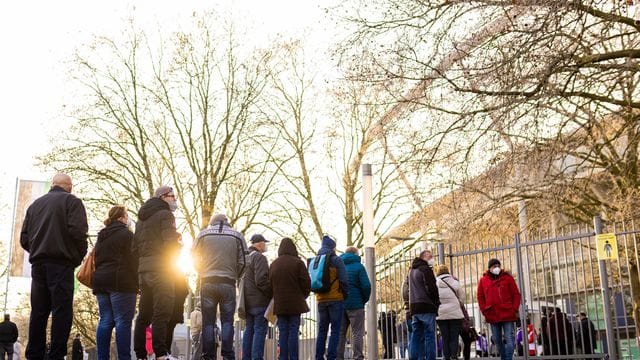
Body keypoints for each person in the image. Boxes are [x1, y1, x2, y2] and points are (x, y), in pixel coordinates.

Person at [20, 174, 88, 360]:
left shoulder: (35, 205)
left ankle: (34, 354)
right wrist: (78, 255)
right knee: (61, 311)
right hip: (61, 263)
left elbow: (24, 238)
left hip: (39, 264)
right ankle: (56, 355)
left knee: (39, 311)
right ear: (68, 186)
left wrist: (37, 250)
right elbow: (78, 232)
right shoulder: (72, 202)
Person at [133, 186, 183, 360]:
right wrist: (178, 246)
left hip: (143, 271)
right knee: (162, 312)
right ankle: (161, 354)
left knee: (143, 315)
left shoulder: (141, 219)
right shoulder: (166, 215)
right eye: (172, 196)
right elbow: (170, 242)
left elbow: (134, 248)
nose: (174, 199)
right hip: (162, 269)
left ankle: (140, 355)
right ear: (163, 197)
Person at [192, 214, 247, 360]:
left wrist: (202, 271)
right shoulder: (237, 236)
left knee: (208, 321)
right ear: (227, 222)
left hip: (208, 281)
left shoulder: (203, 235)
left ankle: (208, 355)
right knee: (227, 321)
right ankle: (228, 355)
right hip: (228, 282)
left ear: (212, 222)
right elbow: (244, 261)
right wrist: (235, 275)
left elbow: (193, 256)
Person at [93, 205, 138, 360]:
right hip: (122, 282)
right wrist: (138, 282)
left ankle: (102, 357)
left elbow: (96, 260)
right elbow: (134, 260)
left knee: (105, 320)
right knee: (123, 322)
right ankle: (124, 357)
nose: (128, 218)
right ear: (121, 218)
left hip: (101, 281)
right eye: (126, 215)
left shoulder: (101, 236)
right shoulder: (127, 235)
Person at [269, 237, 311, 360]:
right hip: (295, 304)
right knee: (293, 332)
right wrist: (302, 296)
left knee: (283, 333)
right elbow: (306, 283)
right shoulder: (298, 262)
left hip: (280, 304)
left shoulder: (274, 264)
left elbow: (269, 284)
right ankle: (294, 357)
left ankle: (283, 357)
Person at [477, 258, 521, 360]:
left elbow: (516, 294)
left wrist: (514, 308)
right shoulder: (483, 280)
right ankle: (504, 357)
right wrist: (484, 310)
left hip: (508, 313)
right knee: (496, 339)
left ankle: (507, 358)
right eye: (494, 266)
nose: (496, 268)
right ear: (489, 268)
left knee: (509, 339)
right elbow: (480, 297)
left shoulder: (508, 278)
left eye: (498, 266)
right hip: (492, 314)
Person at [314, 235, 349, 360]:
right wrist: (345, 294)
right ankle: (331, 357)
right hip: (335, 299)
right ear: (333, 247)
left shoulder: (317, 260)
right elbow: (344, 279)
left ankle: (318, 357)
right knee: (335, 330)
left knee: (322, 330)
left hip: (320, 299)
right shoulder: (336, 260)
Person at [241, 234, 272, 360]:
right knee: (259, 331)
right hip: (259, 301)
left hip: (247, 302)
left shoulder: (245, 258)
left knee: (249, 330)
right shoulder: (259, 258)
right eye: (264, 243)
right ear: (259, 244)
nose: (265, 246)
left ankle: (246, 357)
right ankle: (257, 357)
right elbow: (261, 280)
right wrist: (271, 293)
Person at [336, 247, 370, 360]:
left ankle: (338, 357)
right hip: (356, 305)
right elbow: (366, 286)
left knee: (340, 333)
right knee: (357, 333)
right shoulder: (359, 267)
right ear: (356, 254)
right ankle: (358, 357)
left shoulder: (338, 266)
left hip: (340, 304)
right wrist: (363, 300)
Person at [408, 249, 440, 360]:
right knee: (430, 336)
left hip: (415, 307)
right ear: (423, 257)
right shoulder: (425, 270)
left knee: (416, 336)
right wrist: (436, 303)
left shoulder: (411, 271)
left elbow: (407, 290)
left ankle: (414, 358)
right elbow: (432, 289)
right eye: (430, 257)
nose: (432, 259)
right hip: (426, 306)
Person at [435, 264, 465, 360]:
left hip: (441, 314)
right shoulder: (455, 282)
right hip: (455, 314)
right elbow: (462, 297)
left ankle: (446, 356)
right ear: (448, 271)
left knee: (445, 336)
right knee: (454, 336)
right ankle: (454, 356)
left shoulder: (435, 283)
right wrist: (458, 304)